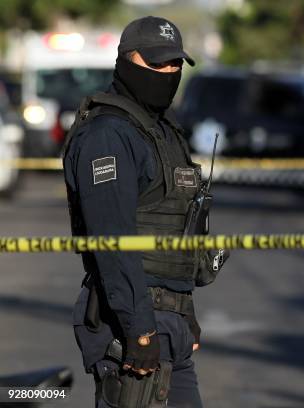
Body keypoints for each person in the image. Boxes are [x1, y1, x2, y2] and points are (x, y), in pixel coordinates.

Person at [62, 16, 228, 407]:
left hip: (171, 326)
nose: (167, 72)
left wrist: (185, 312)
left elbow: (180, 232)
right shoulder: (108, 134)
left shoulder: (163, 129)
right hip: (132, 324)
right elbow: (112, 242)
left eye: (174, 64)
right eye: (155, 64)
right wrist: (139, 332)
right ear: (124, 61)